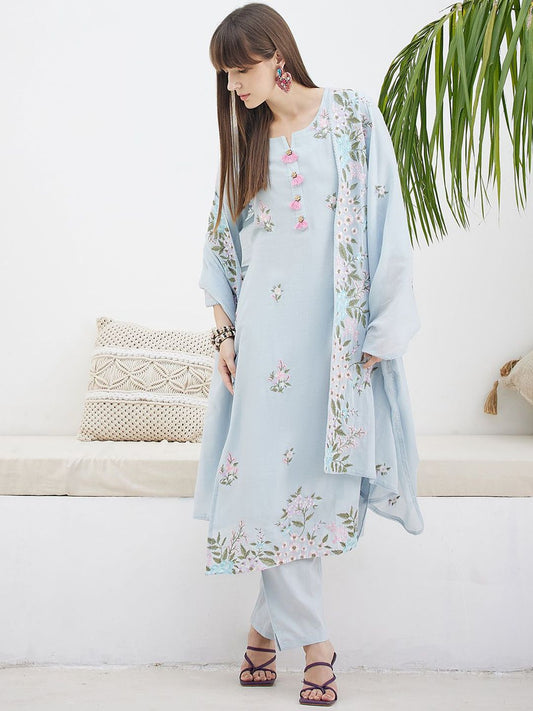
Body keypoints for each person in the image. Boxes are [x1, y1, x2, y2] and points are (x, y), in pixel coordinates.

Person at [193, 3, 424, 706]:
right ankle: (316, 646)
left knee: (312, 494)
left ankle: (263, 632)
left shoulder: (351, 118)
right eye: (225, 75)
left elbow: (388, 221)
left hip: (334, 346)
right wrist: (224, 335)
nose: (233, 85)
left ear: (276, 57)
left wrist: (381, 332)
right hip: (264, 349)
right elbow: (219, 247)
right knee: (268, 489)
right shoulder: (246, 142)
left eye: (240, 70)